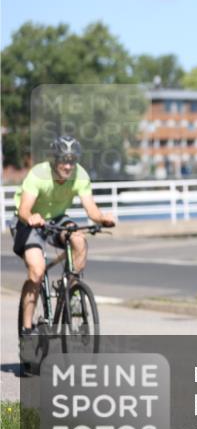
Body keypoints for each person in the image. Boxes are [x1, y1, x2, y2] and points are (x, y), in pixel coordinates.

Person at [11, 136, 116, 336]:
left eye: (72, 160)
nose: (68, 166)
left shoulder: (80, 175)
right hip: (29, 220)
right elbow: (24, 208)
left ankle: (71, 289)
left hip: (56, 219)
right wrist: (31, 217)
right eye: (63, 160)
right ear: (54, 159)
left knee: (79, 239)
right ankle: (26, 328)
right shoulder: (38, 174)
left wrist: (103, 219)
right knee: (36, 271)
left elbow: (91, 209)